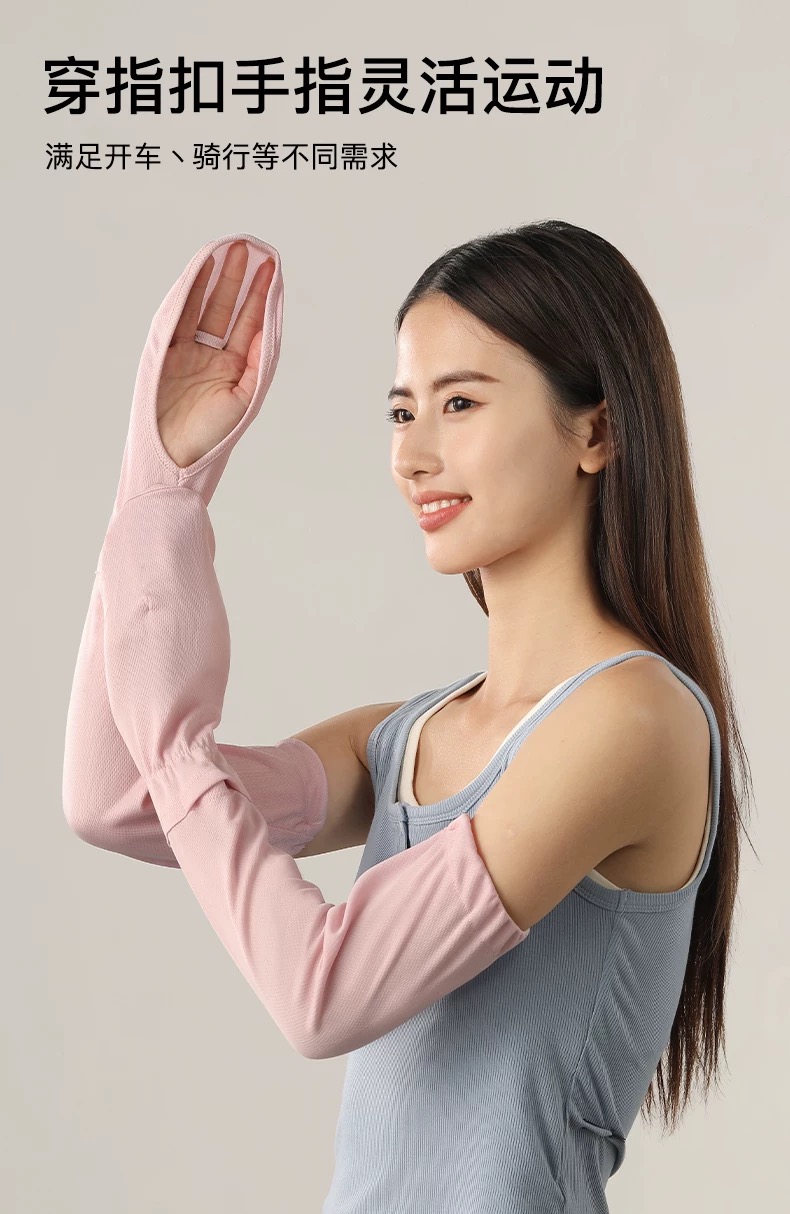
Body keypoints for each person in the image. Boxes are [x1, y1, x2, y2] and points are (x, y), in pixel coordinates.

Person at [63, 226, 750, 1213]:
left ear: (595, 432)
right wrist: (161, 483)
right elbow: (118, 797)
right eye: (401, 411)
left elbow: (323, 993)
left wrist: (178, 742)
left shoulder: (635, 721)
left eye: (459, 403)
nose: (412, 456)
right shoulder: (401, 739)